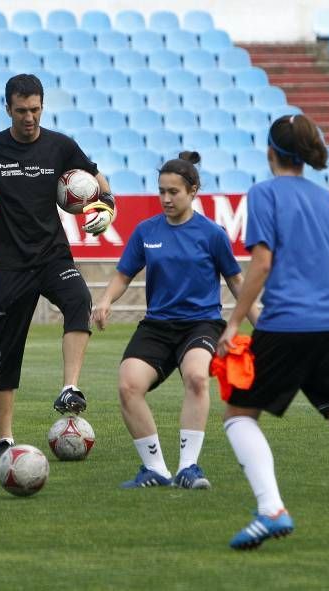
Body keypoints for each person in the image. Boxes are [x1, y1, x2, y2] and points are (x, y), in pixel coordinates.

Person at [216, 114, 329, 551]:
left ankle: (271, 509)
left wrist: (234, 321)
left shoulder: (263, 194)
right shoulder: (328, 202)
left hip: (286, 324)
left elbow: (261, 264)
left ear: (270, 152)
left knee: (239, 416)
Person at [0, 74, 117, 458]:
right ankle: (4, 437)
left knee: (79, 301)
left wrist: (107, 204)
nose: (29, 117)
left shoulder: (60, 146)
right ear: (8, 109)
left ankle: (70, 388)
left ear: (42, 106)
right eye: (21, 111)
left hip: (53, 256)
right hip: (8, 266)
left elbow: (98, 180)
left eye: (34, 109)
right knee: (6, 347)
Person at [92, 151, 258, 489]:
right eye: (161, 191)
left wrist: (263, 323)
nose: (166, 199)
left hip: (201, 323)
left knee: (197, 377)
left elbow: (237, 282)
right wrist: (106, 300)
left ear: (193, 191)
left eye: (174, 192)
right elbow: (124, 274)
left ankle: (188, 468)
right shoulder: (145, 231)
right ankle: (155, 469)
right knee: (128, 385)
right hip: (157, 326)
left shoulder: (212, 234)